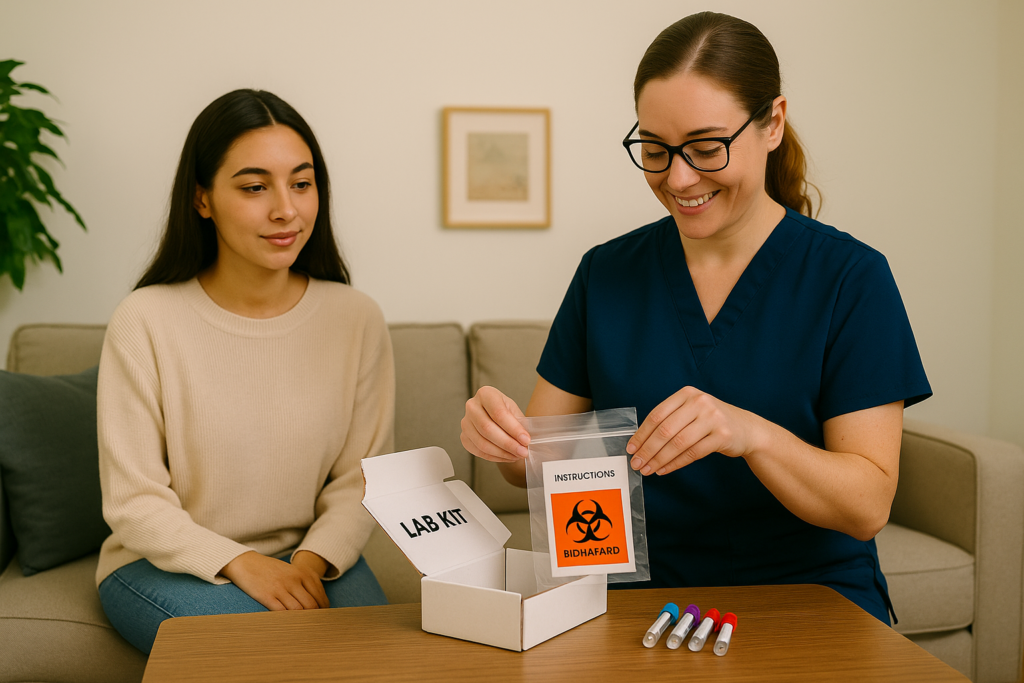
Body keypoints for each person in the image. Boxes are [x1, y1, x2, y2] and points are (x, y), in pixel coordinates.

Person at [460, 12, 930, 625]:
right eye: (654, 150)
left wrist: (751, 435)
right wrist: (501, 442)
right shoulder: (606, 274)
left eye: (707, 148)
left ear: (773, 124)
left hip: (808, 598)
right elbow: (533, 464)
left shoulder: (849, 279)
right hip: (639, 604)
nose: (678, 178)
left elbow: (867, 505)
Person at [96, 89, 393, 653]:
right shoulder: (145, 320)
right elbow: (134, 502)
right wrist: (241, 562)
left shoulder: (356, 318)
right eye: (255, 187)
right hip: (165, 564)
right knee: (272, 656)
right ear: (202, 199)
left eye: (301, 184)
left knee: (381, 659)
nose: (286, 209)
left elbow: (361, 480)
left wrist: (308, 559)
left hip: (311, 554)